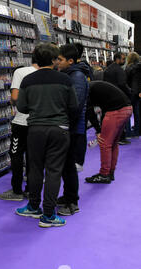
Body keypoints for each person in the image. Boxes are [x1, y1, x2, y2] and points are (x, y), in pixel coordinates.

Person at [15, 43, 79, 228]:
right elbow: (74, 106)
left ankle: (33, 207)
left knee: (35, 168)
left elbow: (21, 107)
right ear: (53, 60)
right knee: (54, 171)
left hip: (35, 129)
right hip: (59, 128)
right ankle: (49, 214)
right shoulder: (65, 80)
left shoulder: (28, 80)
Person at [0, 57, 39, 202]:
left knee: (15, 154)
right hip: (37, 122)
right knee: (32, 156)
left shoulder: (20, 72)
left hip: (21, 122)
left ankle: (16, 190)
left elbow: (15, 97)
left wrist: (14, 101)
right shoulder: (45, 73)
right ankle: (30, 189)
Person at [56, 44, 89, 216]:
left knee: (69, 167)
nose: (57, 62)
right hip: (69, 126)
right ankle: (68, 195)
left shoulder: (76, 76)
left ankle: (72, 202)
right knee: (64, 166)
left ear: (70, 61)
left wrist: (65, 125)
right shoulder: (69, 74)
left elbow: (75, 107)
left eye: (60, 60)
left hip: (72, 128)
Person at [85, 81, 133, 183]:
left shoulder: (85, 90)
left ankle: (104, 174)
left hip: (116, 111)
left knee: (104, 143)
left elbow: (89, 111)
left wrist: (98, 131)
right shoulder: (94, 86)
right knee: (113, 143)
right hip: (127, 108)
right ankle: (110, 172)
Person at [104, 52, 132, 145]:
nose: (124, 61)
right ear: (117, 59)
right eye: (123, 59)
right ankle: (120, 138)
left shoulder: (108, 69)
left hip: (109, 96)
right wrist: (129, 92)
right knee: (121, 119)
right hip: (119, 97)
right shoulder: (119, 70)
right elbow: (122, 84)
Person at [125, 52, 141, 138]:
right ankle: (137, 131)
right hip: (138, 93)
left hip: (130, 92)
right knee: (137, 112)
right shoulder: (139, 67)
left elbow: (125, 81)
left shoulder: (128, 68)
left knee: (127, 113)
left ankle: (128, 132)